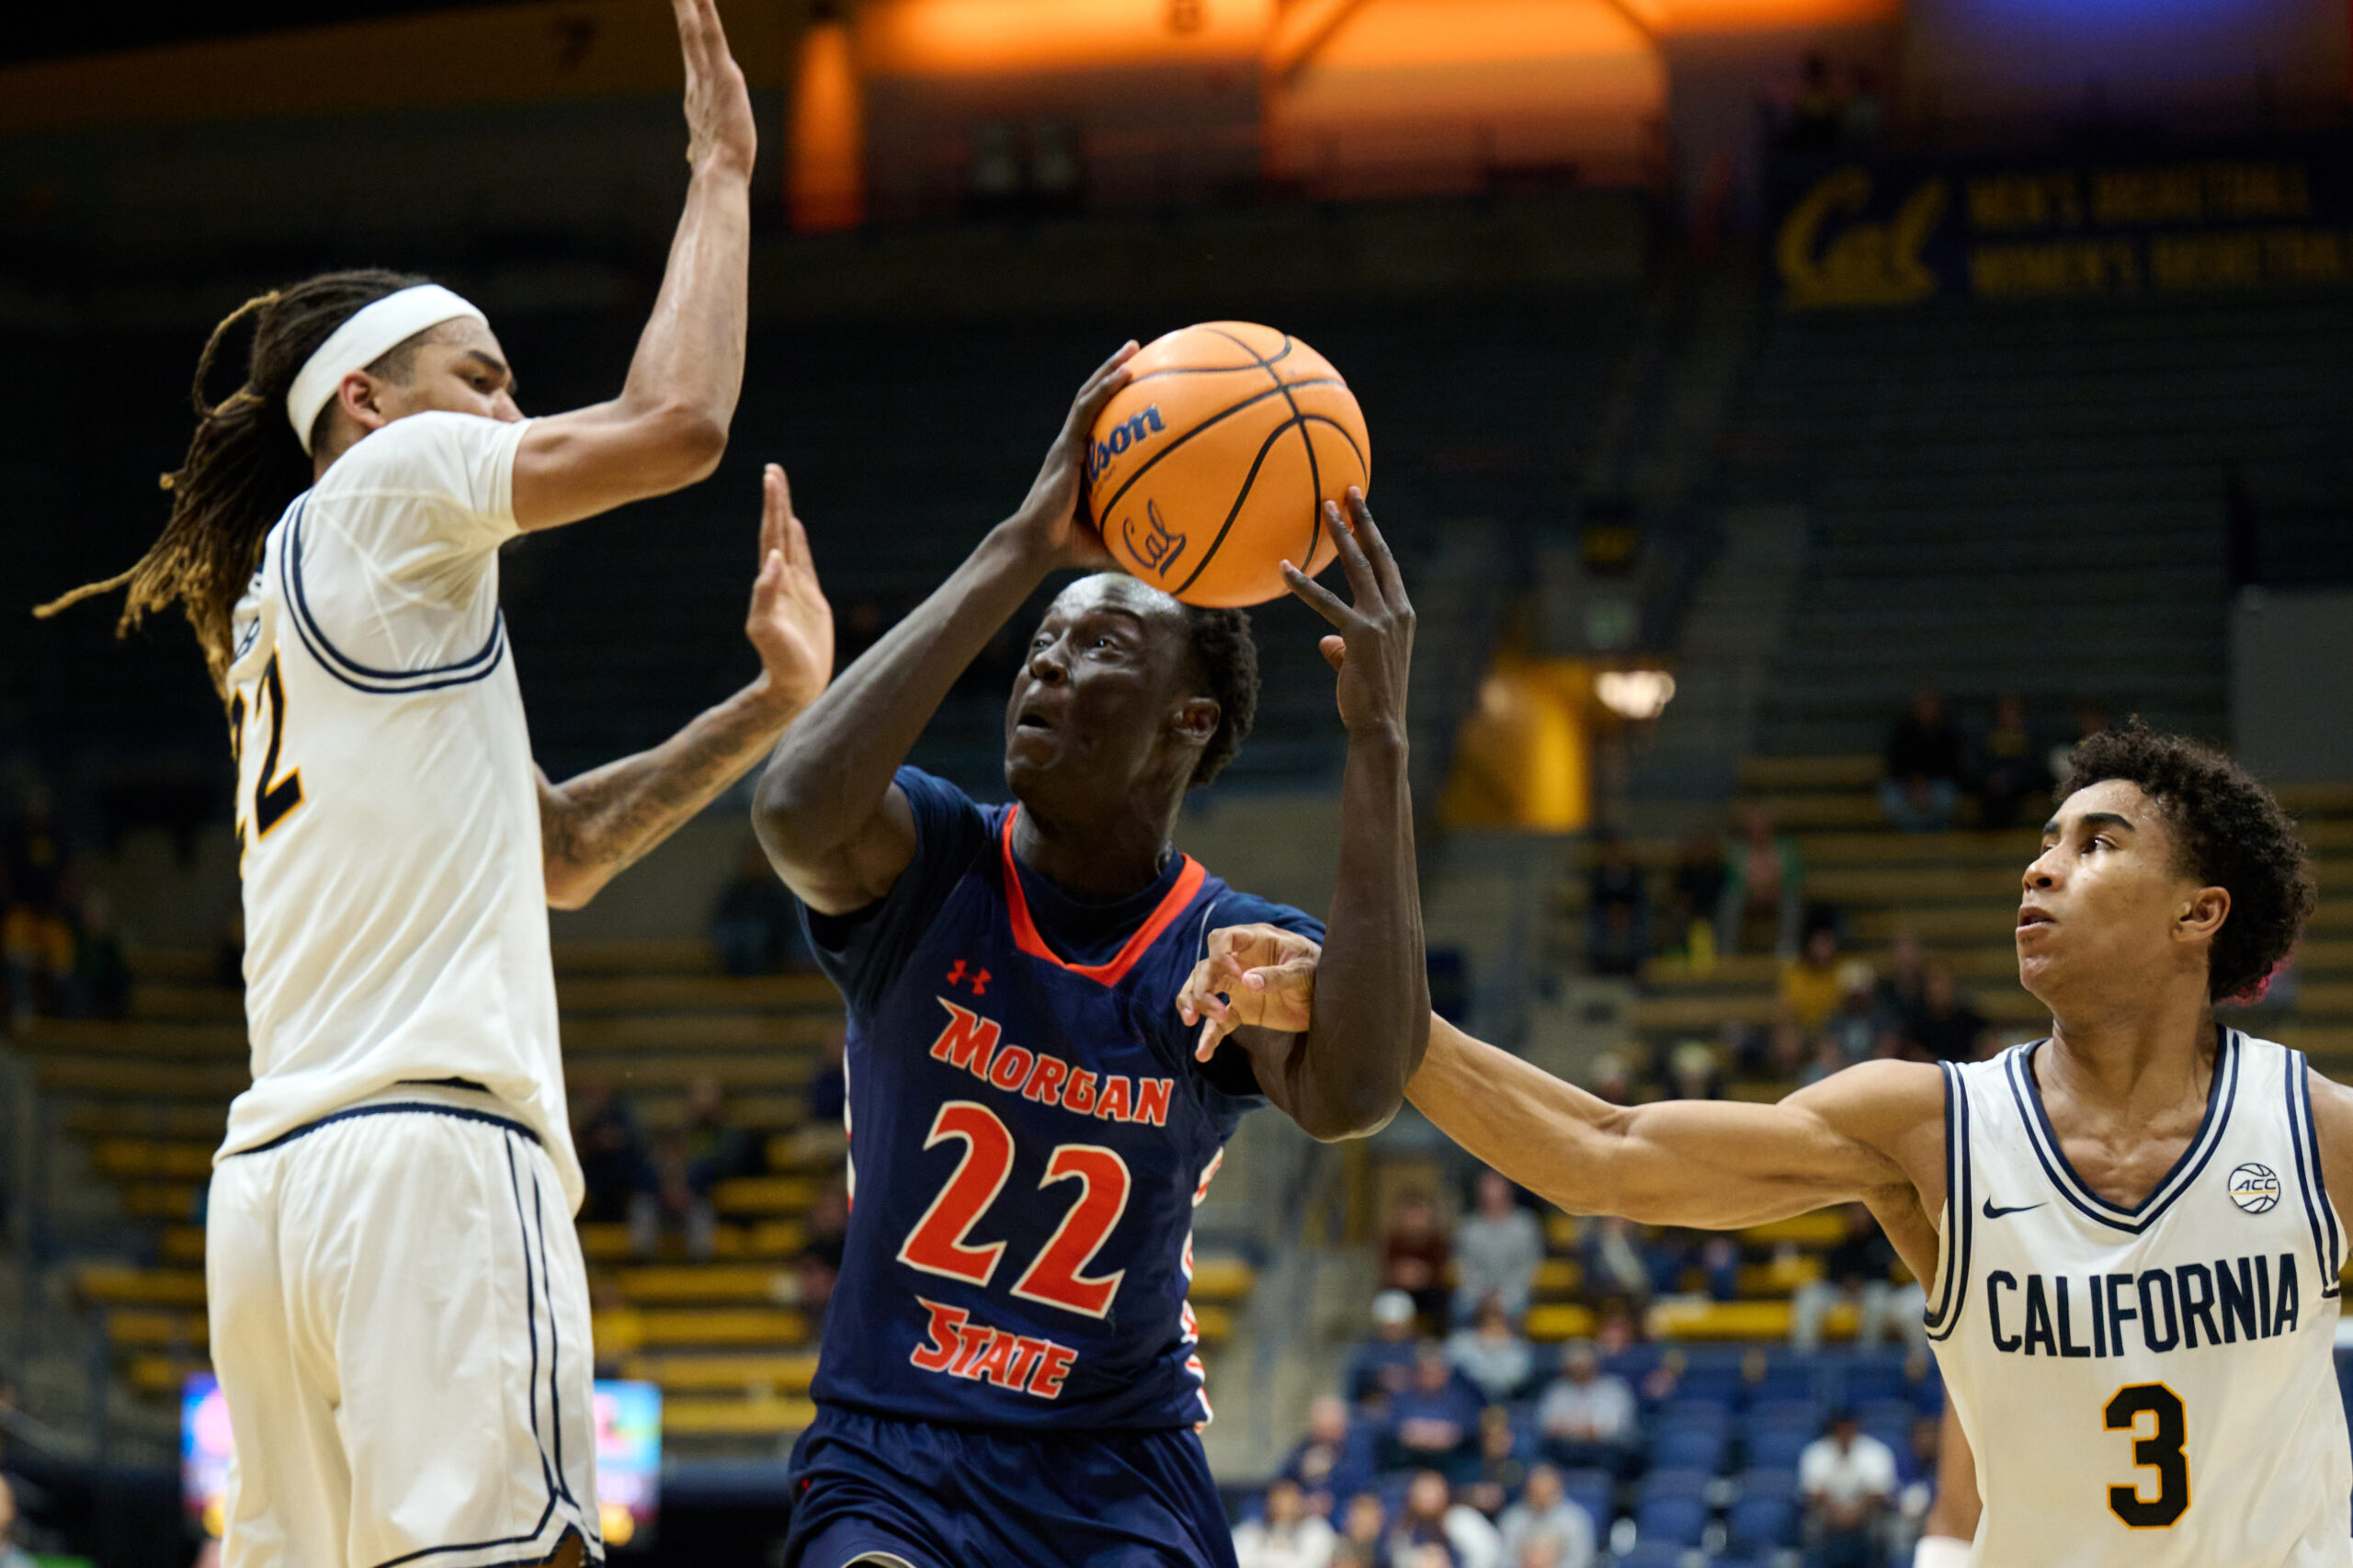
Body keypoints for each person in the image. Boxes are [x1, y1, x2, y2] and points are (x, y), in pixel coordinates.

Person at [31, 7, 830, 1562]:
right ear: (370, 406)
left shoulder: (304, 604)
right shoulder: (388, 488)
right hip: (427, 1166)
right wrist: (724, 173)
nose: (516, 419)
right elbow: (679, 428)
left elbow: (571, 852)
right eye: (486, 378)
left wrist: (773, 702)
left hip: (275, 1199)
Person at [1185, 722, 2342, 1566]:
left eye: (2097, 844)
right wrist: (1391, 1018)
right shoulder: (1930, 1125)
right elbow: (1605, 1149)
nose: (2040, 866)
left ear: (2200, 913)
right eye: (2043, 840)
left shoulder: (2317, 1134)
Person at [751, 344, 1428, 1566]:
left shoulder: (1220, 950)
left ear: (1191, 718)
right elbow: (795, 811)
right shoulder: (939, 865)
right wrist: (1021, 549)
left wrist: (1378, 738)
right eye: (1041, 645)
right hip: (893, 1448)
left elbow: (1360, 1091)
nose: (1050, 662)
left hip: (1116, 1469)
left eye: (1103, 644)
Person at [1790, 1202, 1922, 1354]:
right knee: (1809, 1295)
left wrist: (1862, 1284)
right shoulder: (1843, 1239)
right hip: (1840, 1292)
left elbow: (1886, 1277)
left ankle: (1867, 1357)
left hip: (1870, 1293)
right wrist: (1845, 1284)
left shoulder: (1882, 1241)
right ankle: (1804, 1356)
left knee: (1877, 1299)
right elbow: (1830, 1272)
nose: (1858, 1218)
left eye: (1862, 1213)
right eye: (1854, 1213)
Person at [1800, 1410, 1896, 1568]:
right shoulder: (1816, 1452)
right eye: (1839, 1429)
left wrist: (1857, 1512)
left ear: (1856, 1428)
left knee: (1882, 1526)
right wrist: (1835, 1512)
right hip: (1828, 1515)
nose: (1844, 1434)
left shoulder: (1876, 1451)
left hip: (1866, 1514)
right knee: (1810, 1526)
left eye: (1848, 1429)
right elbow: (1813, 1495)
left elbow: (1879, 1494)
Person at [1532, 1343, 1638, 1476]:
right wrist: (1581, 1429)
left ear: (1594, 1364)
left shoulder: (1613, 1389)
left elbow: (1608, 1430)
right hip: (1564, 1450)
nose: (1578, 1369)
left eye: (1582, 1365)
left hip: (1603, 1452)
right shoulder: (1557, 1390)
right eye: (1574, 1365)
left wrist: (1572, 1429)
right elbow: (1547, 1426)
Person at [1451, 1169, 1542, 1323]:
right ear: (1480, 1196)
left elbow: (1530, 1265)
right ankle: (1463, 1346)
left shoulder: (1526, 1225)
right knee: (1459, 1306)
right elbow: (1463, 1266)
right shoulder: (1468, 1227)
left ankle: (1517, 1346)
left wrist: (1505, 1294)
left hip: (1515, 1293)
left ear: (1508, 1194)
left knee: (1520, 1307)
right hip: (1476, 1293)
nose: (1493, 1201)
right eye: (1488, 1198)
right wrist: (1481, 1293)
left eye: (1498, 1197)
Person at [712, 835, 811, 975]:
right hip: (739, 951)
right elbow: (721, 922)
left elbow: (787, 926)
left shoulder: (778, 892)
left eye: (762, 858)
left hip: (772, 949)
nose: (757, 862)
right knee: (741, 936)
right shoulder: (735, 892)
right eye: (753, 857)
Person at [1716, 802, 1804, 957]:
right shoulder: (1737, 850)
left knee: (1792, 899)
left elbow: (1794, 875)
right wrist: (1756, 890)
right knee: (1730, 899)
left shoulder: (1786, 848)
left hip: (1777, 893)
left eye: (1761, 826)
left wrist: (1772, 888)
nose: (1757, 831)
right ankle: (1727, 948)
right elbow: (1733, 880)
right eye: (1753, 827)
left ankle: (1787, 946)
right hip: (1746, 894)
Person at [1384, 1344, 1483, 1473]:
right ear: (1416, 1372)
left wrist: (1451, 1435)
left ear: (1446, 1373)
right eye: (1425, 1371)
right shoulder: (1402, 1397)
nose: (1430, 1376)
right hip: (1408, 1461)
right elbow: (1391, 1427)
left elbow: (1470, 1428)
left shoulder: (1461, 1399)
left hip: (1451, 1462)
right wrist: (1419, 1435)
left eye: (1435, 1371)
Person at [1881, 689, 1965, 833]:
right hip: (1907, 785)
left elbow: (1952, 766)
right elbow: (1894, 763)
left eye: (1931, 704)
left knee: (1947, 797)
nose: (1928, 709)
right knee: (1890, 798)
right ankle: (1911, 836)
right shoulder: (1903, 732)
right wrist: (1914, 782)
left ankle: (1935, 833)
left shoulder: (1947, 733)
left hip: (1936, 785)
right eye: (1924, 703)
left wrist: (1927, 785)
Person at [1281, 1395, 1378, 1513]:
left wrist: (1332, 1469)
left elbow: (1360, 1483)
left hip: (1342, 1510)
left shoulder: (1357, 1447)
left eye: (1332, 1428)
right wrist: (1303, 1468)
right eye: (1323, 1429)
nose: (1327, 1435)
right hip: (1304, 1512)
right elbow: (1283, 1478)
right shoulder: (1304, 1448)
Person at [1385, 1471, 1502, 1568]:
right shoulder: (1405, 1526)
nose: (1428, 1498)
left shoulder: (1459, 1517)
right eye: (1423, 1492)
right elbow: (1398, 1559)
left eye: (1432, 1491)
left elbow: (1488, 1554)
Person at [1494, 1465, 1595, 1568]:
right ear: (1528, 1492)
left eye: (1547, 1493)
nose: (1541, 1499)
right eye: (1536, 1493)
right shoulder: (1512, 1519)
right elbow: (1503, 1559)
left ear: (1558, 1491)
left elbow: (1582, 1560)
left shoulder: (1575, 1519)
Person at [1974, 695, 2049, 831]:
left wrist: (2012, 779)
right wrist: (1994, 779)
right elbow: (1980, 764)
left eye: (2013, 711)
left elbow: (2036, 767)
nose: (2009, 715)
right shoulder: (1990, 737)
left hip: (2019, 787)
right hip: (1993, 786)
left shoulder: (2029, 738)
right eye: (2005, 711)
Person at [1381, 1187, 1453, 1329]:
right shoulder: (1394, 1241)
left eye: (1419, 1216)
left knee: (1441, 1301)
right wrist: (1403, 1276)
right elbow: (1388, 1270)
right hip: (1400, 1291)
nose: (1415, 1221)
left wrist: (1422, 1277)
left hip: (1430, 1291)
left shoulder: (1438, 1241)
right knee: (1390, 1302)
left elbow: (1441, 1272)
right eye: (1411, 1216)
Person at [1584, 833, 1648, 977]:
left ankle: (1637, 964)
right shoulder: (1599, 873)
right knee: (1593, 920)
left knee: (1642, 920)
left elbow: (1637, 896)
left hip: (1629, 912)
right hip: (1605, 912)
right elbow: (1596, 897)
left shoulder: (1634, 872)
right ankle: (1597, 964)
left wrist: (1624, 912)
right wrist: (1611, 912)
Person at [1446, 1298, 1533, 1403]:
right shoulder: (1461, 1341)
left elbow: (1516, 1378)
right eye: (1487, 1322)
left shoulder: (1517, 1347)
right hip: (1464, 1398)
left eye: (1497, 1322)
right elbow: (1451, 1369)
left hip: (1505, 1400)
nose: (1492, 1328)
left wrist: (1496, 1350)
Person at [1233, 1480, 1337, 1568]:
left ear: (1300, 1503)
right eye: (1277, 1500)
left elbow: (1308, 1564)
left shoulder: (1317, 1529)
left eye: (1289, 1501)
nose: (1283, 1507)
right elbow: (1238, 1561)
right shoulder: (1250, 1530)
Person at [1349, 1289, 1426, 1403]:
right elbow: (1353, 1393)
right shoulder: (1364, 1353)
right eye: (1389, 1326)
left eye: (1398, 1325)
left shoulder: (1421, 1350)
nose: (1394, 1331)